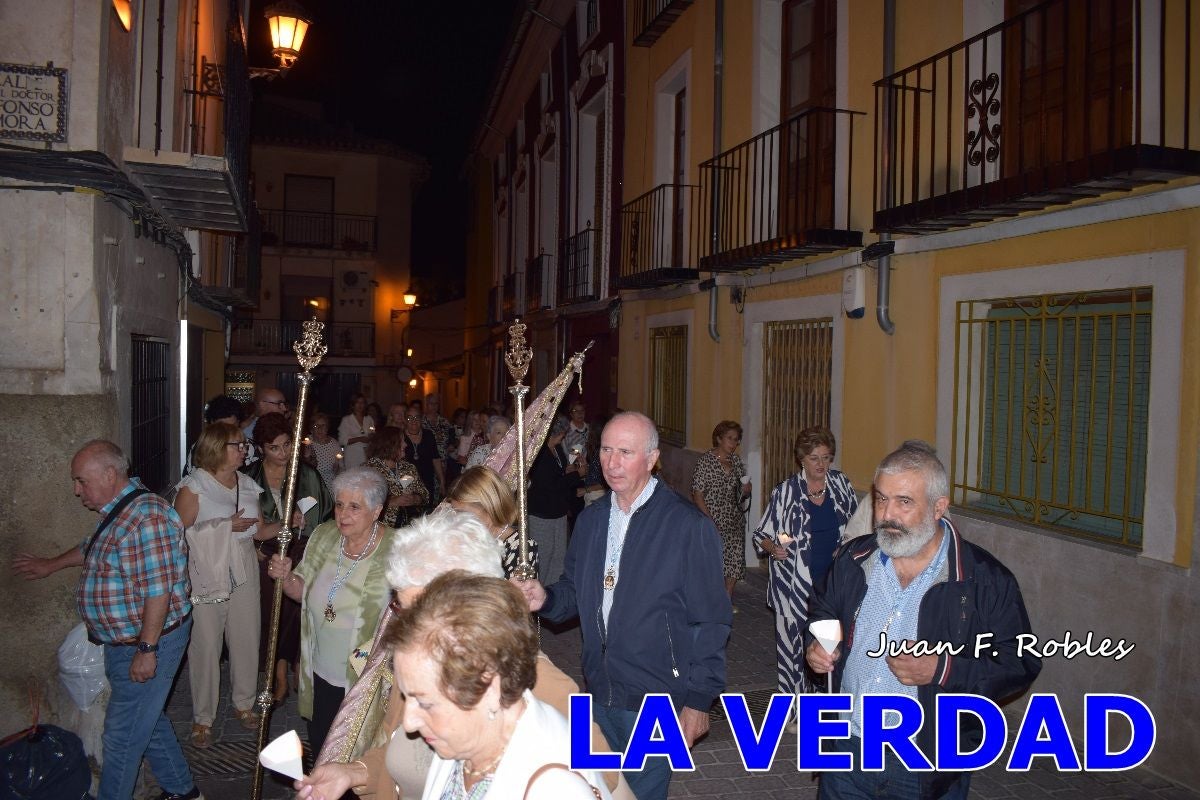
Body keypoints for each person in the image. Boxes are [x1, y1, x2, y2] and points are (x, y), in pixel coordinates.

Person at [294, 511, 627, 800]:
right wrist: (354, 772)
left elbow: (605, 777)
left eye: (418, 609)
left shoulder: (541, 683)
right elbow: (404, 749)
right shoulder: (421, 664)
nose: (403, 623)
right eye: (400, 606)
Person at [806, 441, 1042, 800]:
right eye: (882, 499)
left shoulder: (984, 580)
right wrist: (819, 645)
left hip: (923, 762)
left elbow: (1019, 662)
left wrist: (942, 669)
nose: (887, 514)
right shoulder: (854, 559)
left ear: (938, 508)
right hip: (846, 751)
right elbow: (823, 607)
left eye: (904, 501)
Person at [514, 412, 732, 800]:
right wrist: (544, 599)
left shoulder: (687, 526)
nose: (611, 463)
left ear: (651, 459)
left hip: (656, 700)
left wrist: (698, 702)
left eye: (625, 452)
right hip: (599, 690)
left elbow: (711, 621)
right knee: (598, 791)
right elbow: (573, 593)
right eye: (606, 450)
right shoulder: (592, 520)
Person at [13, 440, 201, 800]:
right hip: (125, 642)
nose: (76, 490)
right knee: (147, 720)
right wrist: (49, 564)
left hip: (149, 641)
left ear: (109, 474)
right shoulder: (121, 511)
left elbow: (158, 590)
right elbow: (91, 547)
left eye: (81, 481)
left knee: (121, 737)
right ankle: (184, 791)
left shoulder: (147, 516)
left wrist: (147, 649)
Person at [267, 466, 394, 759]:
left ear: (376, 511)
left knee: (358, 756)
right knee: (323, 746)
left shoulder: (397, 548)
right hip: (320, 668)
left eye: (354, 507)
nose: (343, 514)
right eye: (339, 504)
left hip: (366, 677)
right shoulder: (324, 536)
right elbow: (299, 591)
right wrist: (286, 577)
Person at [174, 422, 284, 746]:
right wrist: (225, 525)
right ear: (217, 447)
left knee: (246, 635)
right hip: (208, 569)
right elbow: (176, 534)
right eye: (237, 445)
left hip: (244, 562)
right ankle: (202, 718)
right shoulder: (196, 486)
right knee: (207, 643)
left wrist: (285, 524)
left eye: (243, 445)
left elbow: (259, 531)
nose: (244, 450)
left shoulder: (248, 485)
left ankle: (244, 703)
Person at [752, 426, 857, 699]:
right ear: (802, 459)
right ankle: (795, 712)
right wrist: (774, 548)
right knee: (792, 654)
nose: (821, 464)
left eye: (826, 457)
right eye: (815, 458)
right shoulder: (785, 492)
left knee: (827, 650)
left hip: (831, 587)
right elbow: (761, 534)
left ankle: (825, 705)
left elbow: (856, 527)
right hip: (792, 586)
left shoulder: (841, 485)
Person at [244, 412, 335, 707]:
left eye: (287, 445)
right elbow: (243, 523)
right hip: (263, 552)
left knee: (298, 609)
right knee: (273, 611)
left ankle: (294, 665)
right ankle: (277, 669)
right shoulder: (249, 478)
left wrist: (306, 534)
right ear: (260, 448)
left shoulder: (305, 473)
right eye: (275, 448)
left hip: (301, 548)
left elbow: (324, 515)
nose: (283, 453)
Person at [691, 420, 752, 599]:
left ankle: (726, 600)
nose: (733, 444)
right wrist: (709, 520)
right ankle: (709, 600)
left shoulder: (736, 462)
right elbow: (697, 494)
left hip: (734, 519)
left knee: (734, 561)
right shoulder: (706, 462)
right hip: (712, 518)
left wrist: (746, 490)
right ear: (719, 439)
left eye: (736, 440)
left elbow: (740, 492)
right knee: (714, 563)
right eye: (730, 439)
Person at [447, 465, 539, 578]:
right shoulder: (466, 538)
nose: (456, 520)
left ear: (489, 507)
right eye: (455, 513)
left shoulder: (521, 549)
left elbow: (515, 595)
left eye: (462, 513)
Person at [527, 416, 585, 585]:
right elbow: (550, 485)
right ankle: (537, 596)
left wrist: (573, 468)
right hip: (542, 514)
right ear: (553, 433)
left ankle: (552, 598)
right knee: (543, 558)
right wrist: (577, 475)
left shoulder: (557, 449)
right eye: (562, 434)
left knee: (559, 557)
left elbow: (560, 473)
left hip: (558, 511)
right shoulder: (539, 454)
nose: (564, 437)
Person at [363, 424, 429, 527]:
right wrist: (391, 502)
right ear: (390, 444)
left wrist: (415, 498)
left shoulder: (408, 468)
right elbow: (363, 501)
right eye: (401, 441)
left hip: (408, 528)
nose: (405, 445)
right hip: (381, 529)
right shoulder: (369, 470)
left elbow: (425, 495)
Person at [183, 393, 243, 476]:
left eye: (231, 427)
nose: (227, 432)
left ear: (238, 423)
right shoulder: (201, 447)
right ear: (211, 424)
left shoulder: (248, 447)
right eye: (221, 428)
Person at [401, 408, 442, 504]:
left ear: (421, 419)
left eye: (416, 417)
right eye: (409, 418)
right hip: (406, 481)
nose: (413, 421)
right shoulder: (400, 436)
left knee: (427, 511)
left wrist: (442, 481)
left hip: (427, 480)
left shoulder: (428, 435)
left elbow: (436, 458)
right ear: (404, 420)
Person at [421, 393, 454, 501]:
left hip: (443, 460)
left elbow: (453, 437)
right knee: (427, 488)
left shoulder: (444, 421)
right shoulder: (421, 421)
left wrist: (452, 444)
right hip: (426, 460)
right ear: (426, 404)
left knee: (441, 489)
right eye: (431, 403)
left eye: (436, 404)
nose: (434, 406)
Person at [305, 412, 343, 491]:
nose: (320, 428)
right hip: (310, 486)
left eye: (323, 425)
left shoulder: (334, 444)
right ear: (311, 429)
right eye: (316, 426)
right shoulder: (306, 443)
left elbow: (341, 468)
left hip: (329, 487)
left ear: (327, 428)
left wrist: (337, 468)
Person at [339, 393, 375, 469]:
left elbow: (373, 433)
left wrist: (371, 436)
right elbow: (342, 441)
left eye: (362, 403)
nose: (360, 405)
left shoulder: (369, 419)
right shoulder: (346, 420)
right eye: (357, 402)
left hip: (366, 454)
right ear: (353, 404)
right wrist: (360, 439)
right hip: (352, 455)